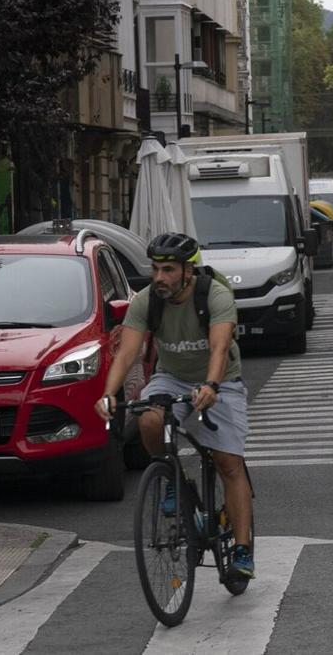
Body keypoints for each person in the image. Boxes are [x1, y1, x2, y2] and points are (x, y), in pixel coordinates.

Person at [95, 233, 255, 579]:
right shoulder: (147, 300)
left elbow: (219, 348)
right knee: (149, 419)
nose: (159, 277)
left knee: (228, 463)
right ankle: (173, 479)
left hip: (222, 378)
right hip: (172, 377)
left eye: (168, 270)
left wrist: (212, 386)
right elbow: (127, 353)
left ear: (187, 270)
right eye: (155, 269)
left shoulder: (214, 294)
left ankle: (242, 551)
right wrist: (109, 393)